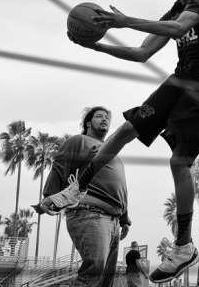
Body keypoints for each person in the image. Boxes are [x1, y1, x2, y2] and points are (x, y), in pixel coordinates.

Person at [47, 0, 199, 282]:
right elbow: (142, 53)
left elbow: (178, 28)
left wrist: (125, 21)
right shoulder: (171, 10)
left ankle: (184, 245)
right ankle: (78, 188)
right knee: (125, 130)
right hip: (180, 79)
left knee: (178, 163)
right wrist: (95, 47)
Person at [38, 107, 130, 287]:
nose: (105, 119)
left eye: (107, 118)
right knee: (92, 274)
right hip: (89, 213)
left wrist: (125, 218)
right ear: (88, 123)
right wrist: (50, 197)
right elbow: (60, 166)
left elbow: (121, 187)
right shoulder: (79, 141)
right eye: (99, 116)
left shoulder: (113, 152)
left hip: (114, 221)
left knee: (105, 281)